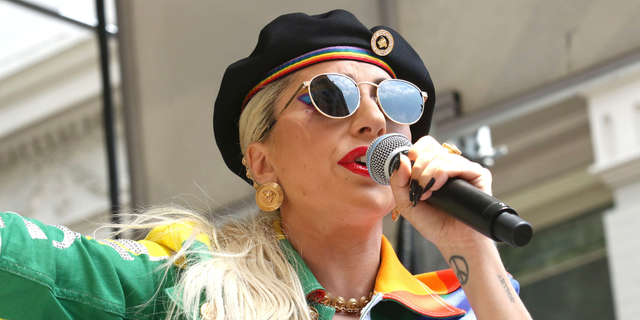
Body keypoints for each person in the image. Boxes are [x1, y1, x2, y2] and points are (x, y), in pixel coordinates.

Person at [0, 10, 531, 320]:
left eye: (396, 100)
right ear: (262, 161)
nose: (373, 118)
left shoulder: (453, 305)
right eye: (329, 96)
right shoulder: (189, 285)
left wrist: (472, 249)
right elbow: (25, 263)